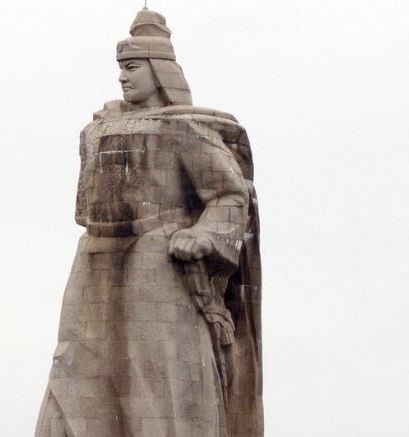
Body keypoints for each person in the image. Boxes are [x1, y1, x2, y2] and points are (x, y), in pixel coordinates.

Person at [36, 9, 263, 437]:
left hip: (154, 258)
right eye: (121, 68)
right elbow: (83, 209)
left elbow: (230, 195)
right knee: (74, 365)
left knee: (157, 371)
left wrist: (203, 234)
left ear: (159, 70)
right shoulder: (97, 129)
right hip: (94, 257)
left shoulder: (181, 128)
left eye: (132, 67)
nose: (123, 77)